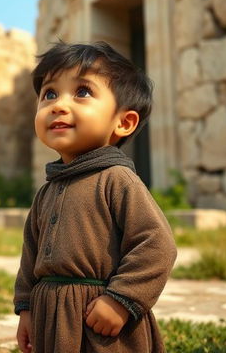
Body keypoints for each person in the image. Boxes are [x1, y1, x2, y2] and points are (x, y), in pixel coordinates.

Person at [14, 41, 177, 353]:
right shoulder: (47, 190)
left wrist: (122, 300)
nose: (58, 105)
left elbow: (157, 245)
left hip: (100, 324)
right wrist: (26, 308)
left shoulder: (116, 180)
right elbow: (29, 257)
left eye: (82, 92)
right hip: (52, 318)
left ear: (123, 122)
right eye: (49, 93)